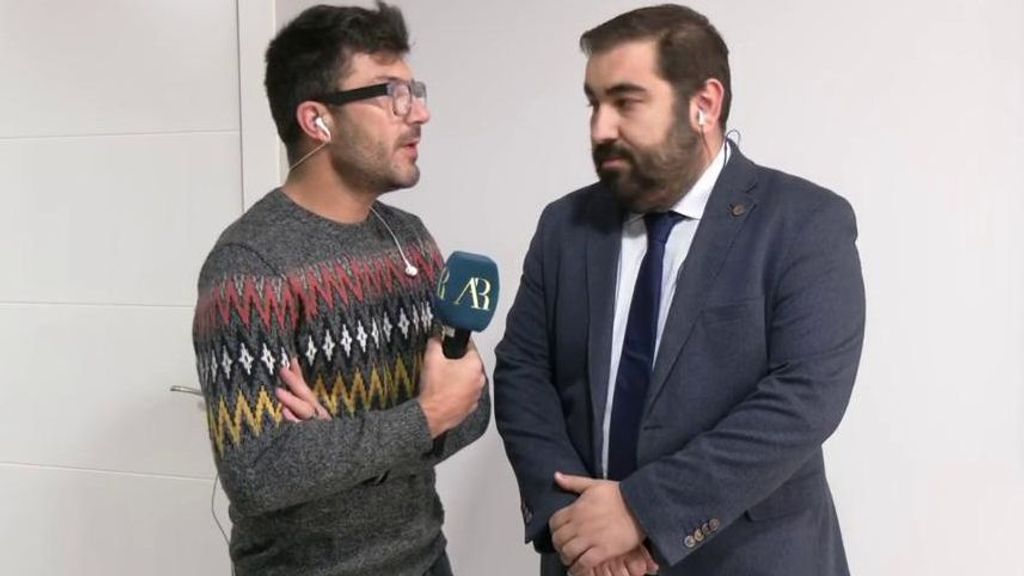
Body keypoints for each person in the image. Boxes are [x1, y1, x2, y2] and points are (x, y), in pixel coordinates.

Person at [494, 5, 865, 576]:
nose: (600, 128)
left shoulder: (806, 222)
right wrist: (573, 524)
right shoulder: (564, 226)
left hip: (752, 561)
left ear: (704, 105)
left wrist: (640, 510)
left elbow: (804, 399)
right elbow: (523, 373)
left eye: (626, 102)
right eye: (594, 104)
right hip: (583, 559)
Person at [191, 4, 488, 575]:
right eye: (393, 94)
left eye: (415, 91)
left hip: (428, 560)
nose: (420, 112)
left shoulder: (410, 239)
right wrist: (424, 416)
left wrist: (340, 445)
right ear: (317, 120)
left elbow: (471, 407)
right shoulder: (249, 268)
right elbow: (260, 471)